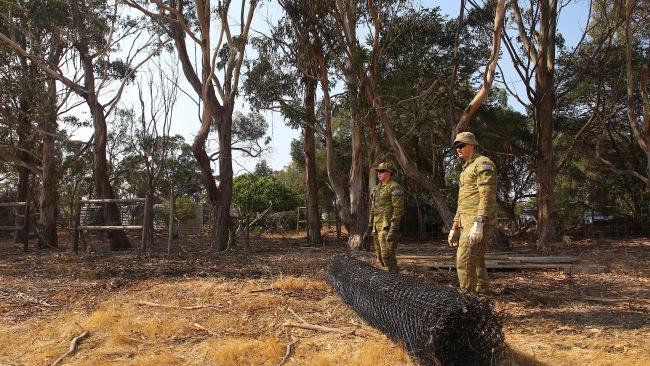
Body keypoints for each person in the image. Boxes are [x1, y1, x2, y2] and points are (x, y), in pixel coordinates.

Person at [447, 132, 497, 294]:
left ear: (472, 145)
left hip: (477, 221)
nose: (458, 149)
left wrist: (480, 222)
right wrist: (454, 226)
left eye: (461, 145)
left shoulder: (482, 164)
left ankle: (467, 302)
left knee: (464, 260)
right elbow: (462, 202)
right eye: (456, 146)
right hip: (466, 222)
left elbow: (487, 195)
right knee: (476, 259)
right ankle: (482, 292)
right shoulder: (465, 169)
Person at [363, 162, 405, 272]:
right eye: (378, 171)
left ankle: (394, 280)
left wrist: (393, 228)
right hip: (376, 227)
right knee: (380, 257)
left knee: (387, 256)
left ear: (389, 172)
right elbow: (373, 208)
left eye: (381, 171)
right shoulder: (377, 189)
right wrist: (369, 227)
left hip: (388, 227)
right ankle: (390, 277)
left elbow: (398, 209)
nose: (378, 173)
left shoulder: (394, 187)